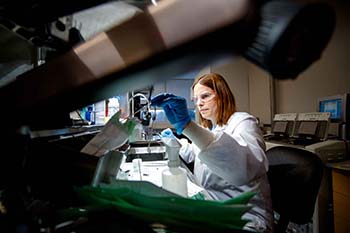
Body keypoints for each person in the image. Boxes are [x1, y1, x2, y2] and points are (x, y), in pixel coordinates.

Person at [151, 73, 273, 233]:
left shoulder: (243, 122)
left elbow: (241, 170)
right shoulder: (210, 129)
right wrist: (173, 139)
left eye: (205, 96)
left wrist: (188, 126)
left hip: (245, 218)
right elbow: (193, 153)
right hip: (214, 207)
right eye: (196, 100)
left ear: (222, 95)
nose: (199, 104)